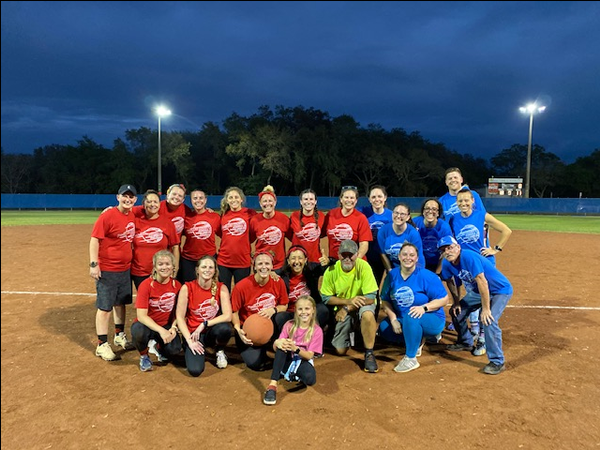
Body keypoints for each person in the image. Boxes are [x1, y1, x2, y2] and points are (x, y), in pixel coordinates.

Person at [438, 236, 513, 375]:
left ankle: (497, 361)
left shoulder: (468, 257)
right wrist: (456, 302)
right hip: (479, 292)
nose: (447, 251)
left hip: (499, 290)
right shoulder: (447, 263)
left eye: (450, 247)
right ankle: (465, 342)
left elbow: (482, 282)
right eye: (444, 250)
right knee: (457, 312)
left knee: (488, 320)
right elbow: (449, 281)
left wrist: (485, 309)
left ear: (458, 247)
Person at [450, 188, 512, 350]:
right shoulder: (453, 219)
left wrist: (496, 249)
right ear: (456, 203)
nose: (463, 203)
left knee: (486, 298)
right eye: (460, 201)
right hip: (466, 263)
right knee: (474, 295)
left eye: (466, 200)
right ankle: (471, 334)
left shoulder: (481, 216)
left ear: (472, 201)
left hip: (484, 262)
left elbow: (506, 230)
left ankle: (483, 339)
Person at [378, 243, 448, 372]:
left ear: (417, 258)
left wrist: (424, 308)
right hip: (403, 318)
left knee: (412, 316)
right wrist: (393, 319)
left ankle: (411, 358)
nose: (408, 258)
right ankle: (419, 338)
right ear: (399, 257)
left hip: (430, 317)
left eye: (412, 255)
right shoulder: (392, 275)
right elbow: (385, 300)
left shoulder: (427, 276)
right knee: (384, 329)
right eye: (404, 254)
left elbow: (444, 299)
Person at [89, 184, 137, 361]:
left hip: (125, 268)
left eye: (131, 197)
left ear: (135, 200)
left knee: (121, 303)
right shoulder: (108, 215)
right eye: (125, 196)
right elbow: (94, 240)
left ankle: (119, 335)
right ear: (117, 197)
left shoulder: (133, 213)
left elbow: (152, 206)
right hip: (107, 269)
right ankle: (102, 345)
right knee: (105, 307)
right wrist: (94, 264)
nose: (128, 199)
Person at [319, 239, 380, 373]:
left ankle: (369, 353)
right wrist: (348, 302)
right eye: (343, 254)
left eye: (350, 255)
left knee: (368, 314)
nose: (347, 258)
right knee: (340, 350)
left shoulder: (363, 266)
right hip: (344, 307)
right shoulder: (331, 270)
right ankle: (355, 331)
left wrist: (347, 308)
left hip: (361, 306)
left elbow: (370, 298)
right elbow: (326, 298)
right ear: (338, 255)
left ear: (357, 254)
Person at [231, 251, 289, 371]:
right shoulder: (241, 287)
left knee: (283, 317)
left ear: (272, 266)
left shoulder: (278, 282)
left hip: (270, 326)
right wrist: (238, 330)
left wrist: (273, 310)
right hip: (249, 332)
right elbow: (234, 312)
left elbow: (284, 305)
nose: (264, 267)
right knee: (255, 364)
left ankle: (277, 344)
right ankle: (266, 349)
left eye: (267, 263)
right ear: (254, 267)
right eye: (260, 264)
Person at [176, 255, 233, 376]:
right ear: (197, 270)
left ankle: (219, 349)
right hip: (193, 334)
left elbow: (228, 316)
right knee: (195, 370)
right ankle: (188, 346)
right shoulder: (187, 288)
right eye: (204, 267)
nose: (207, 270)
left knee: (225, 328)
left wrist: (204, 323)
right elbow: (180, 317)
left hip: (211, 331)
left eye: (211, 267)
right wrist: (189, 340)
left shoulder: (221, 288)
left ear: (215, 270)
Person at [263, 295, 323, 406]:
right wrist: (277, 342)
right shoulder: (288, 325)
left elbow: (309, 356)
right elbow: (278, 346)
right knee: (283, 345)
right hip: (286, 357)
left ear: (313, 310)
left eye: (307, 308)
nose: (303, 312)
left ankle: (286, 371)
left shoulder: (317, 330)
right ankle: (272, 385)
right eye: (300, 309)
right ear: (295, 310)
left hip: (302, 359)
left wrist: (296, 349)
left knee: (310, 379)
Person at [130, 250, 182, 372]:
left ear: (173, 266)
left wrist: (173, 327)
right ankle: (144, 356)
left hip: (166, 324)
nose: (164, 267)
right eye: (160, 264)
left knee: (174, 350)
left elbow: (179, 313)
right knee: (139, 331)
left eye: (167, 264)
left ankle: (158, 346)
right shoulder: (146, 285)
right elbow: (141, 316)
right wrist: (161, 331)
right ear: (155, 267)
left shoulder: (177, 285)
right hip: (147, 325)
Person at [131, 189, 180, 289]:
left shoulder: (167, 223)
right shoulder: (136, 222)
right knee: (144, 300)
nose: (152, 204)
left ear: (159, 204)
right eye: (149, 202)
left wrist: (175, 267)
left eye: (155, 202)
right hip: (140, 271)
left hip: (162, 270)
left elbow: (175, 247)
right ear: (143, 205)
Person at [278, 245, 331, 331]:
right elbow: (268, 273)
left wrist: (328, 262)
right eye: (293, 258)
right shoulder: (282, 276)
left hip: (309, 311)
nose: (297, 261)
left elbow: (327, 267)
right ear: (288, 261)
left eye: (300, 258)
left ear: (305, 260)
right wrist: (271, 274)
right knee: (280, 317)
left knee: (322, 310)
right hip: (292, 312)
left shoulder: (312, 271)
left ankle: (312, 335)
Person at [217, 186, 257, 292]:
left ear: (241, 199)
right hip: (224, 261)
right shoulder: (224, 214)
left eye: (236, 197)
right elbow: (222, 234)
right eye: (230, 197)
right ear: (227, 200)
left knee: (241, 292)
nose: (233, 200)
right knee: (224, 292)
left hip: (243, 261)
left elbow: (254, 232)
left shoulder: (250, 213)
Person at [180, 189, 221, 282]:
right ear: (191, 200)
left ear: (205, 200)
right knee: (189, 287)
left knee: (209, 286)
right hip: (189, 259)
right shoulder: (186, 218)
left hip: (208, 257)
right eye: (195, 198)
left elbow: (224, 235)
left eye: (201, 198)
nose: (198, 200)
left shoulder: (215, 217)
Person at [323, 185, 372, 260]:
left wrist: (355, 260)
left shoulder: (361, 218)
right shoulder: (331, 214)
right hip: (334, 261)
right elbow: (321, 234)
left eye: (352, 198)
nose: (349, 200)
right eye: (346, 197)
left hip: (352, 261)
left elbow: (364, 244)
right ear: (341, 199)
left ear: (356, 201)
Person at [357, 185, 393, 285]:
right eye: (373, 197)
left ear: (385, 197)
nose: (377, 199)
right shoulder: (363, 212)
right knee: (370, 283)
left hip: (385, 254)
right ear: (369, 199)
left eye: (379, 196)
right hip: (369, 254)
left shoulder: (392, 215)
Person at [250, 185, 290, 273]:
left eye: (270, 201)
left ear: (275, 202)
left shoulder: (284, 219)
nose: (267, 203)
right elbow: (249, 239)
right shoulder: (255, 220)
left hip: (279, 265)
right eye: (264, 201)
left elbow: (292, 237)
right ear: (260, 204)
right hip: (261, 264)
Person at [377, 202, 425, 272]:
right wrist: (390, 270)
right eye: (396, 213)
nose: (398, 216)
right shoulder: (383, 231)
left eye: (402, 214)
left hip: (411, 268)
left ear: (408, 217)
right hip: (392, 268)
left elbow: (418, 257)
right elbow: (382, 254)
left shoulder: (413, 233)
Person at [412, 198, 453, 273]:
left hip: (437, 261)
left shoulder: (444, 227)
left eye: (434, 209)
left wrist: (437, 274)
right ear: (423, 212)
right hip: (418, 261)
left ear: (438, 213)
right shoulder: (415, 223)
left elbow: (446, 251)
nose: (430, 211)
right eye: (427, 208)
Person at [288, 188, 326, 264]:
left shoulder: (321, 216)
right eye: (305, 199)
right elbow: (289, 234)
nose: (308, 201)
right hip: (298, 260)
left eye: (311, 199)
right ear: (301, 202)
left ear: (315, 201)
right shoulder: (294, 216)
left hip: (315, 259)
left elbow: (323, 233)